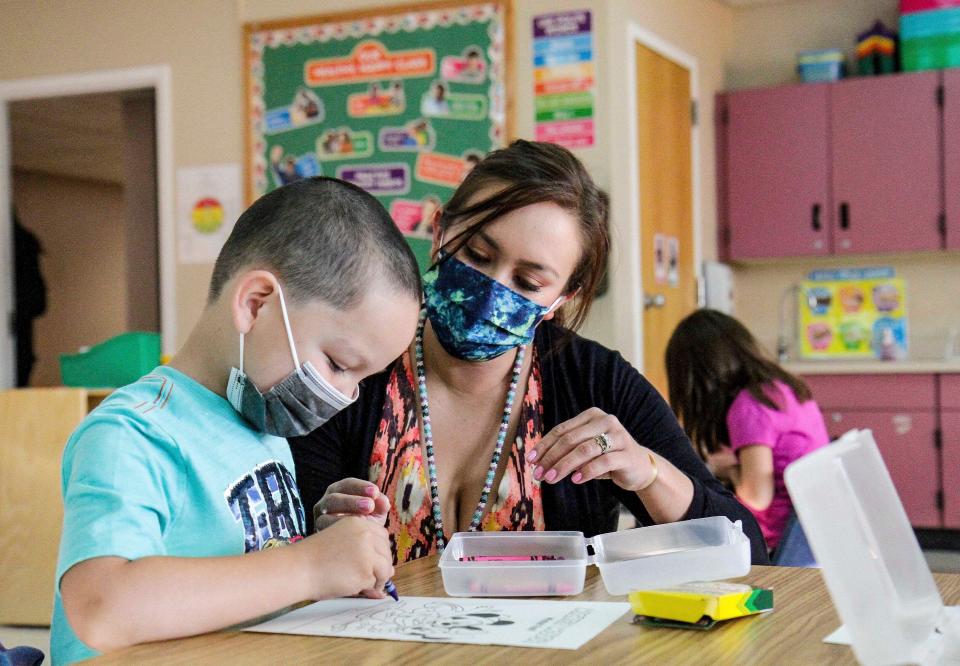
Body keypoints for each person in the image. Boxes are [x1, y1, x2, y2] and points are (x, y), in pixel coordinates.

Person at [290, 140, 767, 565]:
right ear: (440, 232)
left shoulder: (594, 382)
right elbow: (279, 541)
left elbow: (750, 552)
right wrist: (317, 532)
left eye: (529, 282)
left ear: (563, 300)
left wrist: (647, 473)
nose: (493, 287)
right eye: (477, 254)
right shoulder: (357, 363)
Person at [52, 177, 423, 664]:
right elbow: (103, 606)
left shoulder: (261, 427)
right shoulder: (131, 433)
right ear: (256, 304)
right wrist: (308, 566)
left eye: (361, 379)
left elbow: (235, 566)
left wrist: (321, 540)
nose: (345, 396)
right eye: (337, 363)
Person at [665, 309, 829, 555]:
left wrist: (724, 469)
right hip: (816, 528)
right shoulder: (784, 388)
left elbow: (756, 496)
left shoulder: (750, 405)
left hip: (782, 540)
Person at [12, 209, 47, 387]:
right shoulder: (25, 244)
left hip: (18, 347)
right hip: (20, 349)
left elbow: (38, 301)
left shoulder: (20, 245)